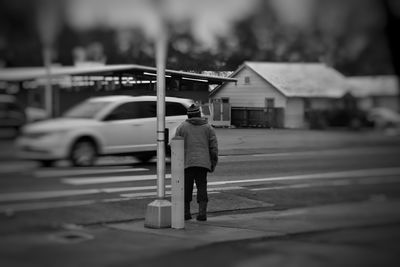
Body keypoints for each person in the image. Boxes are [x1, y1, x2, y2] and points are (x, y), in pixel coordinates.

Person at [175, 104, 218, 221]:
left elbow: (175, 145)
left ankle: (186, 213)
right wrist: (213, 163)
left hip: (187, 163)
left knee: (186, 188)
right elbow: (213, 148)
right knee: (202, 187)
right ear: (199, 114)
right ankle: (202, 213)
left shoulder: (182, 127)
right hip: (203, 163)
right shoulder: (208, 128)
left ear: (188, 115)